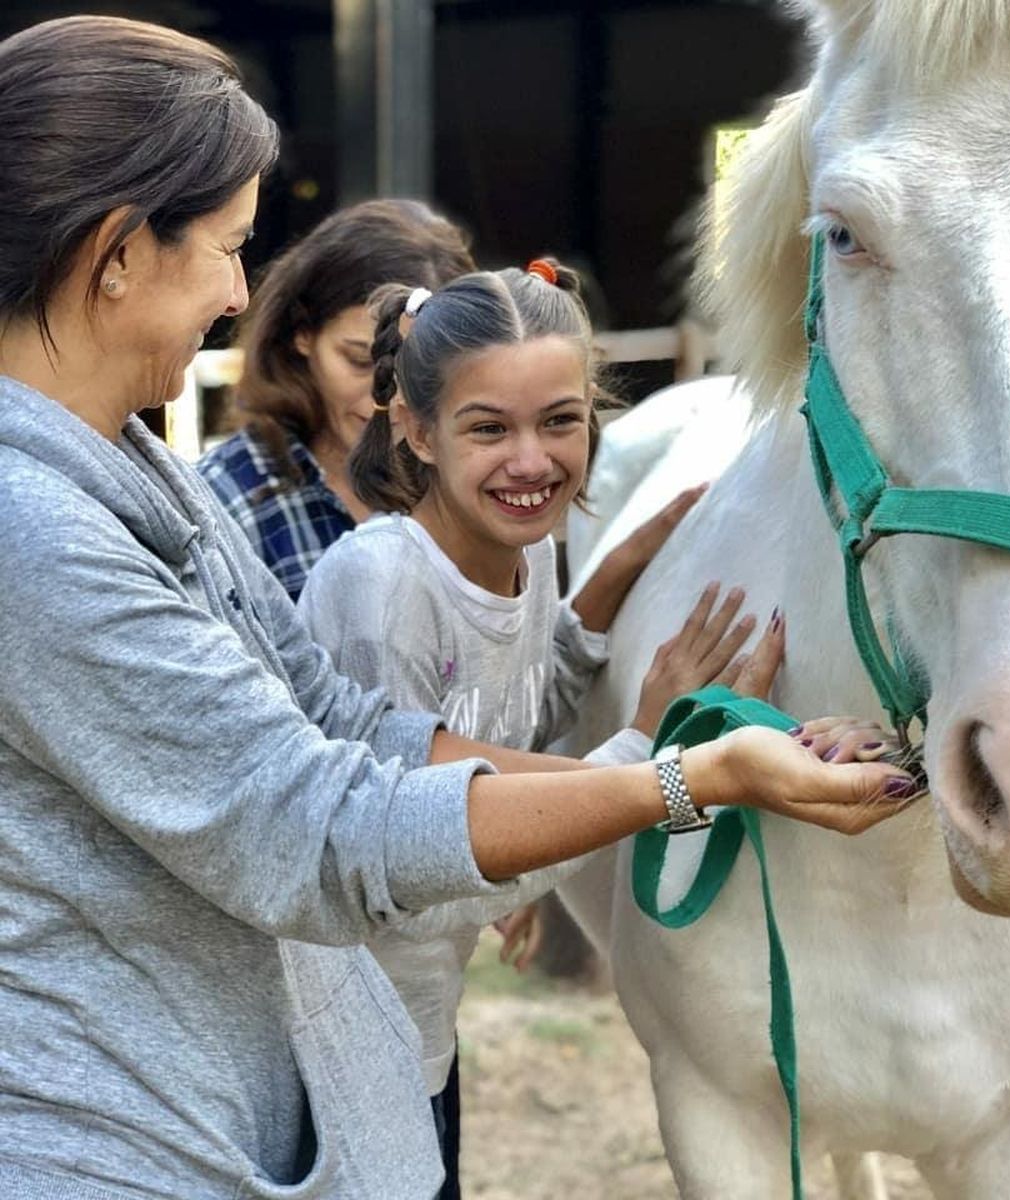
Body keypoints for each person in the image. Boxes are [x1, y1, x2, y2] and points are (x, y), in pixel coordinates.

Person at [0, 15, 918, 1200]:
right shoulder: (34, 529)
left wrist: (697, 748)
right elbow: (316, 826)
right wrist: (694, 781)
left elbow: (342, 720)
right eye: (227, 249)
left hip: (232, 1104)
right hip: (118, 1145)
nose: (238, 295)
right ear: (118, 251)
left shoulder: (127, 459)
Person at [298, 261, 763, 1194]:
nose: (531, 460)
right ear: (415, 431)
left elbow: (521, 702)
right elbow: (412, 854)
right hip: (317, 1059)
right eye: (489, 428)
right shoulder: (383, 586)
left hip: (416, 1028)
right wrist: (644, 745)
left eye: (560, 421)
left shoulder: (527, 555)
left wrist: (620, 571)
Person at [198, 198, 476, 600]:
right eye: (361, 361)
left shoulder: (467, 479)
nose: (388, 399)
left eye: (418, 374)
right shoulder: (225, 501)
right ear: (302, 333)